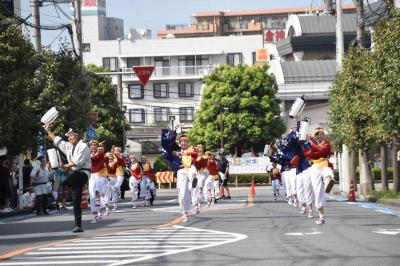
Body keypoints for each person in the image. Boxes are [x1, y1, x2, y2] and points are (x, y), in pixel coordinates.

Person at [43, 125, 91, 233]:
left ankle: (64, 186)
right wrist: (47, 130)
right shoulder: (68, 146)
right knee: (76, 201)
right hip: (73, 175)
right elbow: (57, 140)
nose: (69, 138)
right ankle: (78, 226)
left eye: (71, 136)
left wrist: (63, 166)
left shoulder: (83, 146)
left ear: (77, 135)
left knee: (66, 182)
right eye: (68, 136)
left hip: (83, 173)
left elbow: (76, 163)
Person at [303, 127, 333, 225]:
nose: (320, 135)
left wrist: (311, 143)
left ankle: (329, 185)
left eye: (321, 134)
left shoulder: (327, 143)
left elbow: (321, 151)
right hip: (315, 168)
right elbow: (308, 155)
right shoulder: (312, 145)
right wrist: (303, 144)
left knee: (328, 173)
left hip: (325, 164)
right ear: (315, 136)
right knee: (317, 191)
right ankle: (321, 217)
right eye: (317, 134)